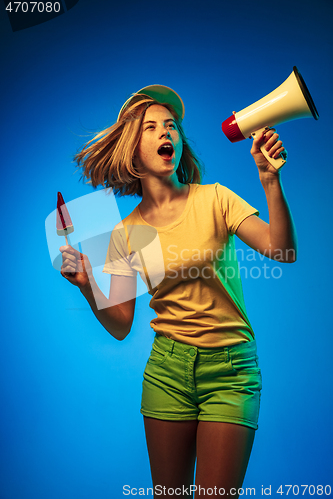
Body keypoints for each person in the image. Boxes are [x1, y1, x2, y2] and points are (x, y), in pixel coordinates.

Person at [60, 85, 297, 498]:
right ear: (133, 151)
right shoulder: (124, 233)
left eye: (171, 126)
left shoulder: (216, 199)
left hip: (230, 372)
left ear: (180, 143)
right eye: (150, 127)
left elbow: (283, 249)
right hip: (167, 372)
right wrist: (86, 285)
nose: (164, 133)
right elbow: (120, 326)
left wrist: (270, 179)